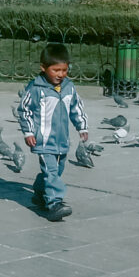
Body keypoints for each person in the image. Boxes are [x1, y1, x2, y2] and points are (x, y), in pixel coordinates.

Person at [17, 43, 88, 221]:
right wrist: (28, 132)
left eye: (64, 70)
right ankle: (55, 203)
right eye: (56, 70)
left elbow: (76, 108)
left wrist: (82, 126)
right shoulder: (35, 88)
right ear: (43, 68)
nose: (61, 74)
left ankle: (40, 192)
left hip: (62, 140)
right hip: (43, 140)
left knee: (57, 169)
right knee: (51, 170)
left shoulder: (69, 87)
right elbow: (24, 111)